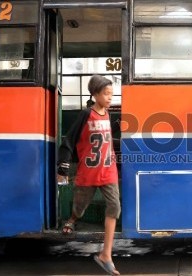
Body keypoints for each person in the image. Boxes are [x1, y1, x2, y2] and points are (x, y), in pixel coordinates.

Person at [57, 75, 120, 275]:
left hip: (108, 170)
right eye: (106, 94)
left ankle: (106, 255)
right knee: (80, 208)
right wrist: (63, 166)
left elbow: (108, 141)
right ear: (95, 95)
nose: (110, 97)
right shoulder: (86, 115)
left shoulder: (108, 115)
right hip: (88, 172)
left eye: (111, 93)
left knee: (114, 206)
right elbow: (69, 140)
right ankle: (72, 219)